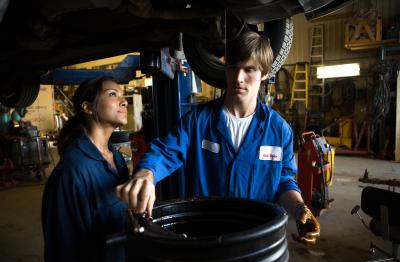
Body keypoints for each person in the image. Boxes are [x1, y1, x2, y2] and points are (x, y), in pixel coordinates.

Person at [116, 31, 320, 245]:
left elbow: (284, 181)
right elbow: (166, 152)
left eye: (249, 69)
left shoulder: (278, 130)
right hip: (205, 238)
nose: (239, 78)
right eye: (233, 67)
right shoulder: (198, 121)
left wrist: (300, 209)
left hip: (255, 237)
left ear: (265, 73)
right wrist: (147, 174)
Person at [42, 76, 129, 262]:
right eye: (113, 94)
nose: (124, 101)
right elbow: (65, 251)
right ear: (88, 107)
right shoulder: (72, 171)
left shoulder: (117, 158)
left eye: (123, 95)